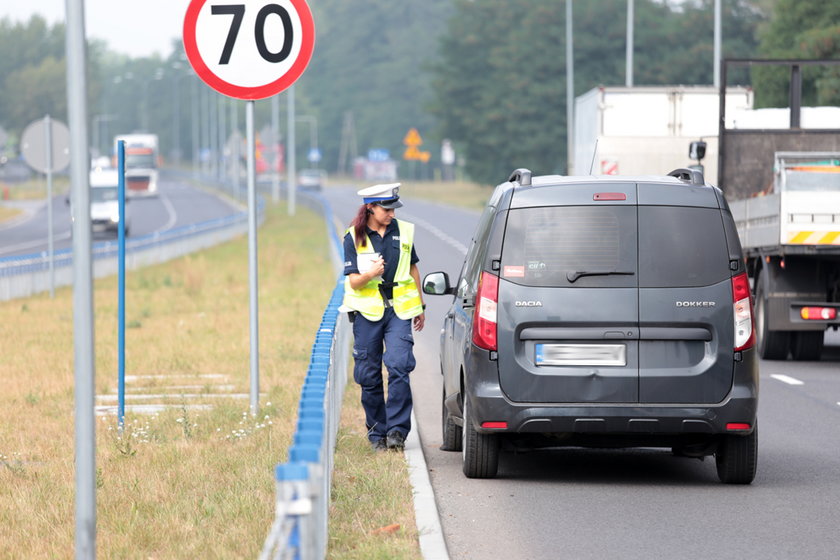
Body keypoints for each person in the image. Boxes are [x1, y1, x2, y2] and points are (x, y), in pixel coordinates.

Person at [339, 183, 426, 452]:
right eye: (386, 209)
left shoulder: (404, 231)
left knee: (399, 365)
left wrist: (421, 305)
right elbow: (354, 282)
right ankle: (377, 434)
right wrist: (370, 273)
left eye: (394, 208)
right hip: (368, 313)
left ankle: (397, 432)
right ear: (371, 208)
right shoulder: (354, 237)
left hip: (399, 309)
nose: (392, 214)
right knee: (369, 375)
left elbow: (412, 268)